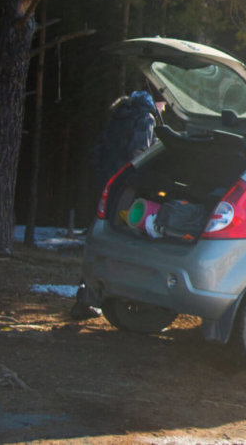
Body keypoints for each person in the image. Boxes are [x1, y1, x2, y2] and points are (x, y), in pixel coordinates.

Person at [70, 90, 160, 320]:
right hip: (125, 191)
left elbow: (96, 153)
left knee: (100, 239)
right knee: (127, 242)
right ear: (157, 103)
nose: (163, 112)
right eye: (164, 107)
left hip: (105, 187)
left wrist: (105, 179)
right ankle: (128, 300)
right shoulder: (145, 119)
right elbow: (139, 154)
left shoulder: (119, 117)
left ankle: (85, 297)